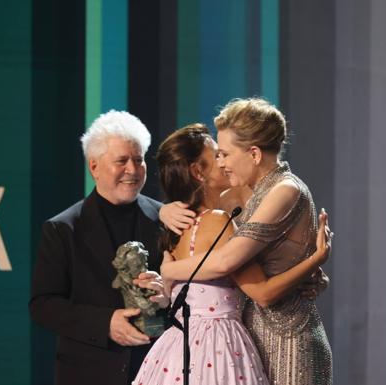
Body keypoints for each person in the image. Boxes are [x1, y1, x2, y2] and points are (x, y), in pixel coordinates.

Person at [132, 123, 330, 385]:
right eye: (216, 155)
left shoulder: (178, 226)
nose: (224, 162)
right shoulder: (218, 221)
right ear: (197, 171)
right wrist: (316, 258)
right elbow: (261, 290)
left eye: (225, 154)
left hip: (177, 350)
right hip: (218, 347)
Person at [29, 110, 169, 385]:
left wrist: (167, 292)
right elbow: (43, 305)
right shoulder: (62, 229)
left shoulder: (166, 220)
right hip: (89, 371)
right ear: (94, 166)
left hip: (159, 368)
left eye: (138, 160)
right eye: (122, 161)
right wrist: (104, 323)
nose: (133, 170)